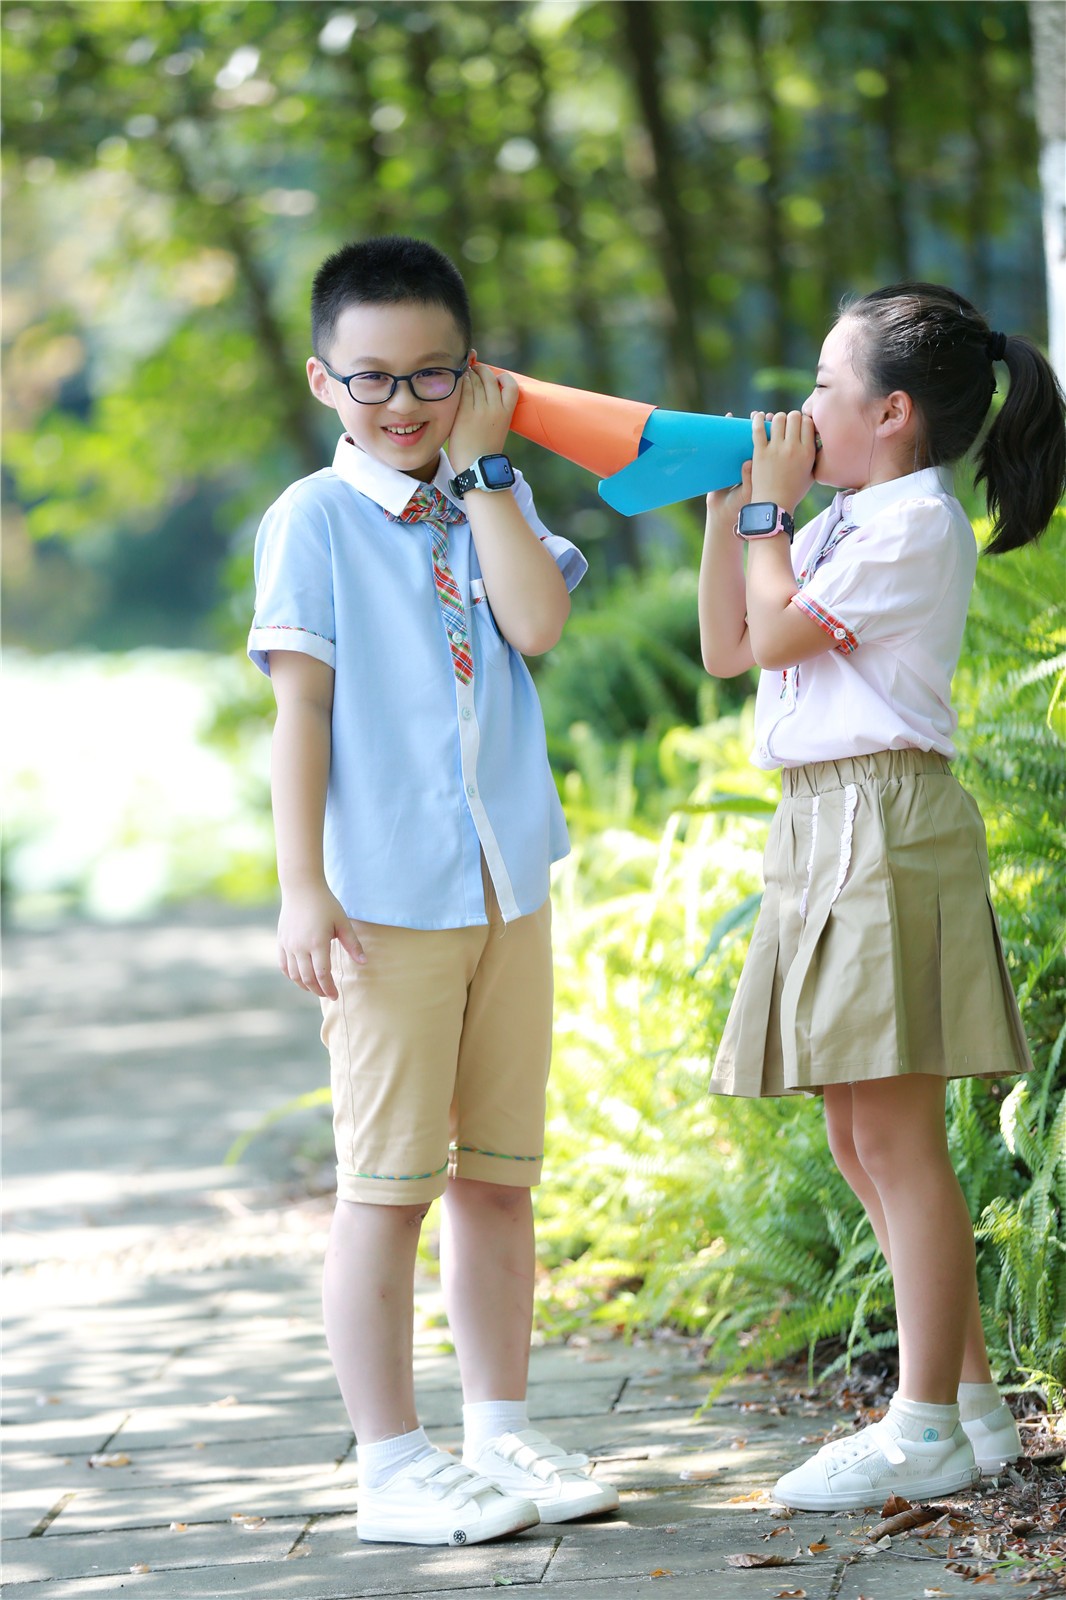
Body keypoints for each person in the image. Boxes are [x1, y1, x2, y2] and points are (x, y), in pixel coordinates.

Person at [248, 235, 619, 1546]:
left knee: (499, 1179)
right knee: (385, 1186)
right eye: (372, 381)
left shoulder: (485, 501)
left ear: (473, 374)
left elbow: (535, 625)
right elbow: (301, 714)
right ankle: (391, 1463)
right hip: (385, 903)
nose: (402, 403)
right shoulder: (314, 518)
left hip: (505, 884)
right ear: (322, 380)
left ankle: (499, 1430)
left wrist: (491, 465)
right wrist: (303, 888)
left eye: (431, 375)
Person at [698, 281, 1065, 1513]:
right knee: (853, 1129)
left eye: (820, 385)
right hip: (823, 821)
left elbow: (786, 640)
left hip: (882, 818)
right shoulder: (844, 519)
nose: (800, 408)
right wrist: (729, 510)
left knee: (896, 1135)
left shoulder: (912, 525)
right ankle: (966, 1407)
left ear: (892, 412)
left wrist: (764, 514)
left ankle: (918, 1427)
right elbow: (729, 646)